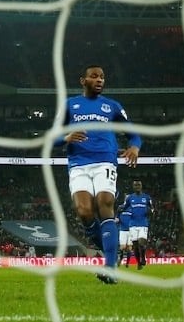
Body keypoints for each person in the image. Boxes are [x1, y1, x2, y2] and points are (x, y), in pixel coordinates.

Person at [55, 65, 141, 284]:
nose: (100, 80)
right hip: (78, 164)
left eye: (102, 77)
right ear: (83, 80)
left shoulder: (112, 106)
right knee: (84, 212)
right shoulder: (69, 105)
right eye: (94, 76)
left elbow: (134, 134)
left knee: (105, 203)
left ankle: (110, 268)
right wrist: (66, 137)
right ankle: (111, 251)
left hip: (105, 160)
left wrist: (134, 148)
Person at [122, 180, 154, 270]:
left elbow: (152, 208)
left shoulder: (146, 197)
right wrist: (121, 209)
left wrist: (151, 211)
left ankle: (143, 258)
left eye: (139, 185)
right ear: (133, 187)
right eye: (135, 185)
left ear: (141, 186)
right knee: (135, 245)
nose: (137, 187)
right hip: (133, 224)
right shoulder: (130, 198)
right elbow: (124, 207)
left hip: (143, 223)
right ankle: (139, 263)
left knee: (141, 243)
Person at [116, 198, 133, 268]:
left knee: (129, 248)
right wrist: (116, 220)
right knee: (122, 247)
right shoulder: (120, 208)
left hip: (131, 230)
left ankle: (127, 263)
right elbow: (117, 217)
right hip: (122, 230)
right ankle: (120, 258)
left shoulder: (132, 208)